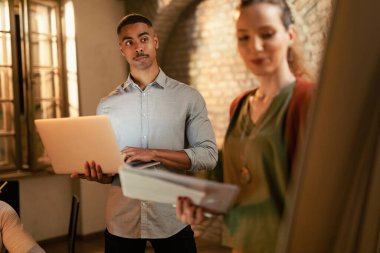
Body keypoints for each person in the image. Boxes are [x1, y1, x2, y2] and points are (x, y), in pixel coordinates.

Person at [71, 14, 218, 253]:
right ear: (121, 49)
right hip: (121, 221)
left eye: (143, 39)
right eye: (129, 42)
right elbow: (113, 170)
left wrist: (152, 153)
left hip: (172, 218)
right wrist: (99, 174)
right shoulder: (107, 104)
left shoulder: (188, 97)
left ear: (155, 41)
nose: (137, 47)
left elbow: (208, 156)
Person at [176, 0, 315, 253]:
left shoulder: (307, 100)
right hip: (240, 244)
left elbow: (318, 195)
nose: (255, 47)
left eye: (267, 34)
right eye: (244, 37)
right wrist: (204, 208)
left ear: (290, 35)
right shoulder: (239, 105)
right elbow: (245, 186)